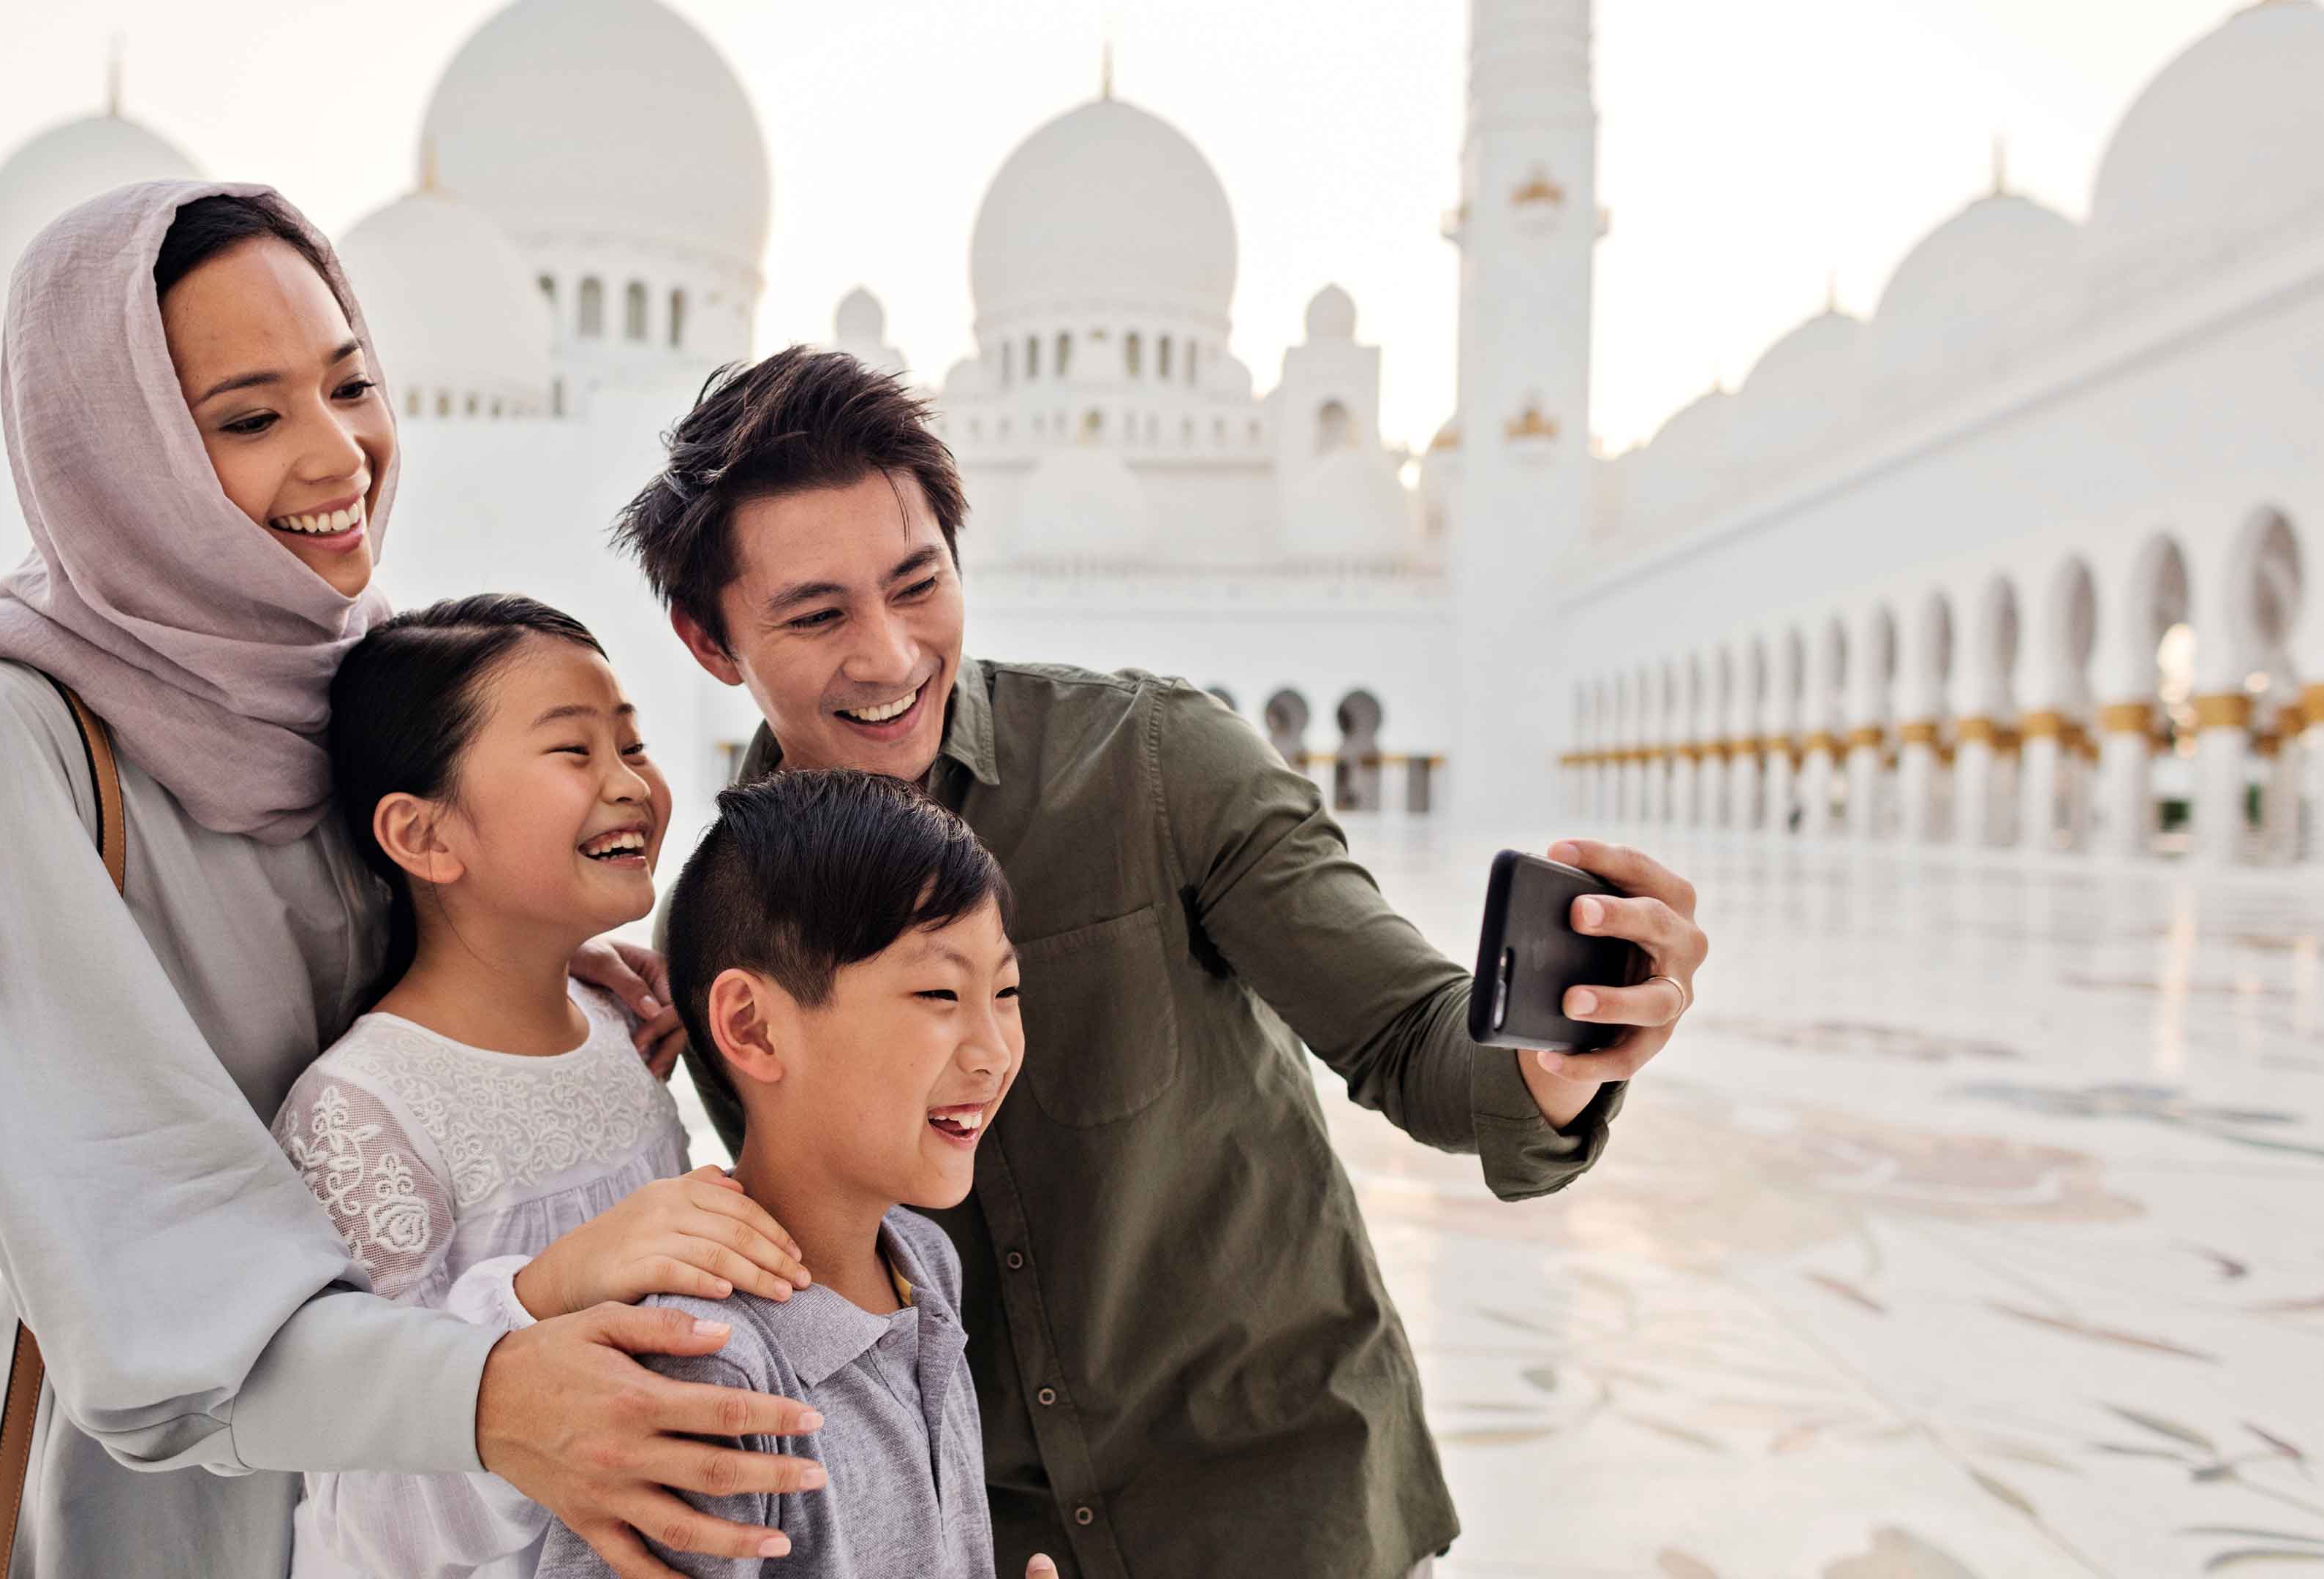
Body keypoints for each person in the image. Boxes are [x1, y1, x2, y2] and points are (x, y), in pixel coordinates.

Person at [614, 349, 1714, 1578]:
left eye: (918, 585)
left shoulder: (1153, 766)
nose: (889, 656)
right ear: (709, 639)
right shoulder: (728, 933)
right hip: (988, 1546)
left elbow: (1417, 1045)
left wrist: (1556, 1055)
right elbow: (818, 1277)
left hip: (1279, 1513)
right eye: (817, 616)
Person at [0, 181, 822, 1579]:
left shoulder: (326, 663)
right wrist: (494, 1398)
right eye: (249, 420)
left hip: (427, 1492)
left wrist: (532, 970)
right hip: (174, 1498)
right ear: (115, 451)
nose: (338, 456)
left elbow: (380, 988)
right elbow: (137, 1236)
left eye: (351, 385)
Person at [271, 594, 814, 1579]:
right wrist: (551, 1285)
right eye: (573, 753)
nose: (631, 786)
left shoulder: (619, 1031)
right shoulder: (362, 1111)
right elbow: (380, 1485)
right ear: (425, 838)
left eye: (634, 745)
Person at [539, 769, 1026, 1579]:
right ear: (752, 1027)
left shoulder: (922, 1262)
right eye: (940, 992)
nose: (993, 1050)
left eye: (1005, 990)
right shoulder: (708, 1363)